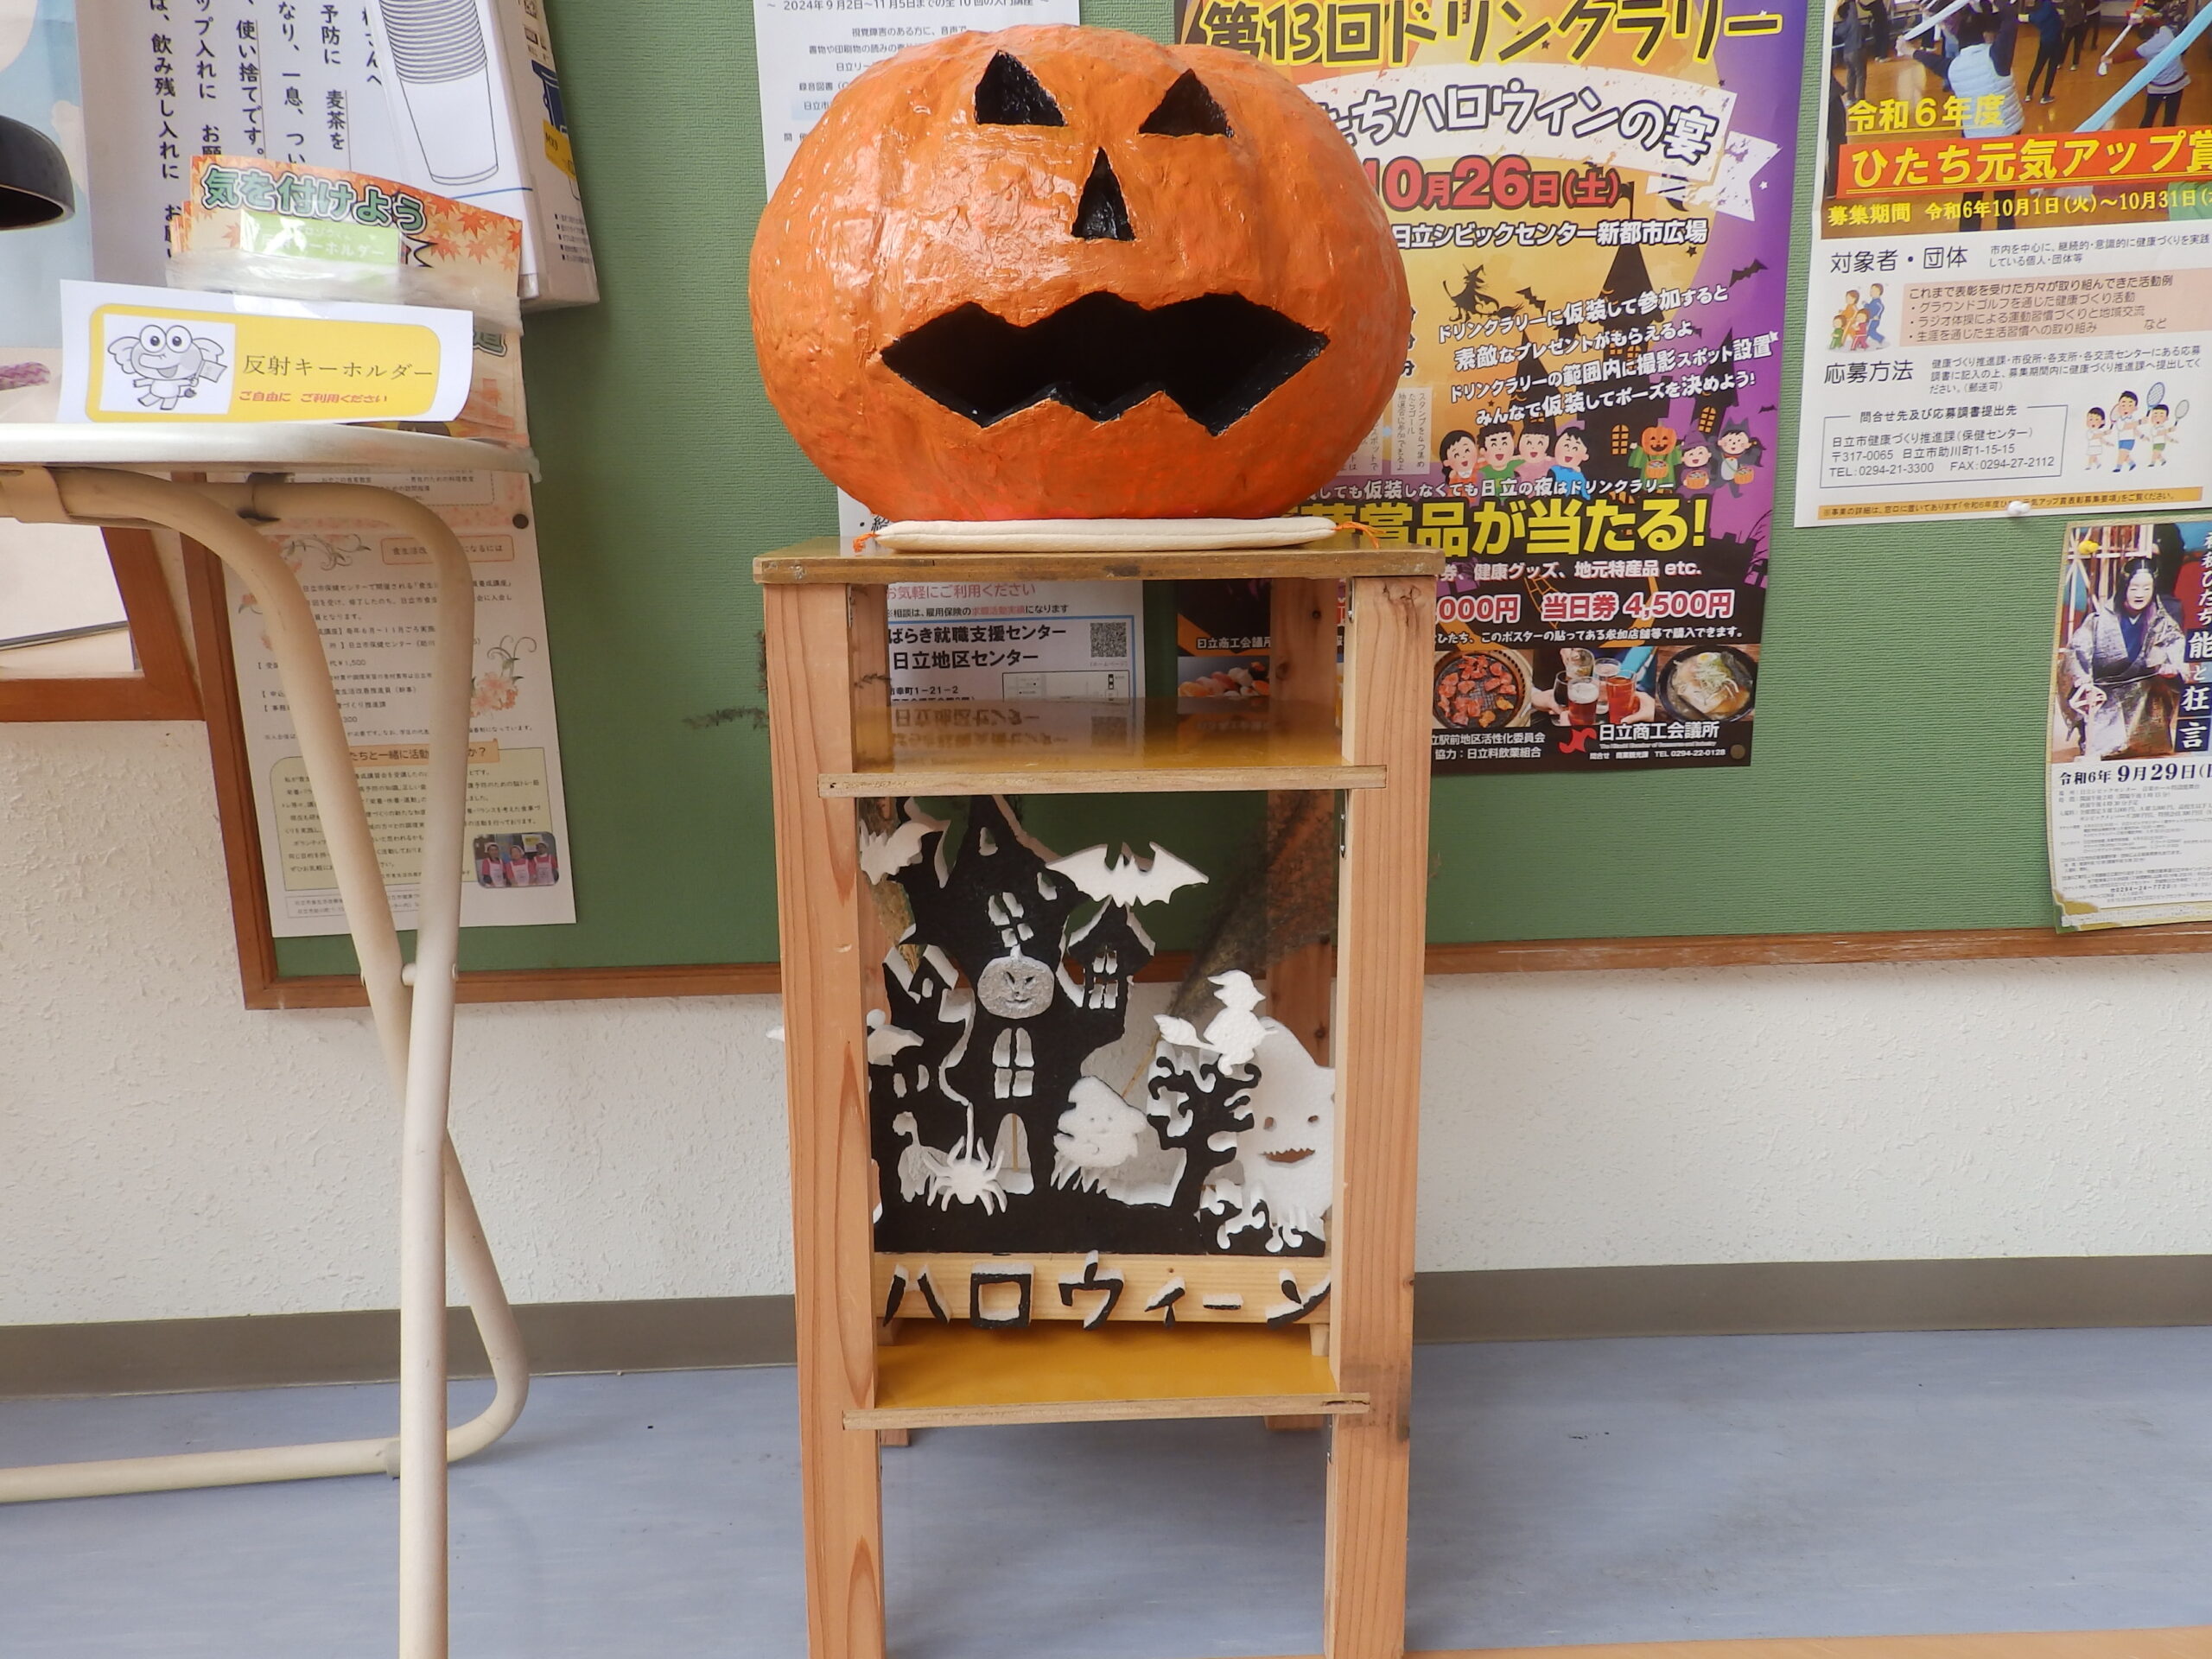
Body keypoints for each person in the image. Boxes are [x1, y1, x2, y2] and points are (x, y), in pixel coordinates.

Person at [2064, 556, 2184, 758]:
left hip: (2146, 695)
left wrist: (2171, 668)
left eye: (2147, 588)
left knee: (2150, 742)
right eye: (2134, 588)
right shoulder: (2099, 620)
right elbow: (2077, 651)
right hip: (2106, 693)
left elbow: (2175, 647)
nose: (2140, 594)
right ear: (2124, 587)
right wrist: (2084, 682)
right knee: (2103, 749)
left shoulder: (2163, 622)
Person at [1917, 4, 2024, 232]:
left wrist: (1909, 51)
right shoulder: (1997, 57)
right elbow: (2010, 19)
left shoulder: (1952, 67)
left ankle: (1968, 240)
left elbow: (1931, 61)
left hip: (1974, 139)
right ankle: (2004, 242)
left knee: (1972, 196)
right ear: (1984, 35)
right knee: (2005, 199)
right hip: (2006, 138)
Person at [2133, 5, 2190, 127]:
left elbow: (2129, 55)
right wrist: (2144, 19)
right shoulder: (2166, 34)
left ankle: (2142, 136)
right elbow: (2159, 23)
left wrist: (2110, 60)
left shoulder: (2146, 48)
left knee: (2149, 115)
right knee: (2171, 117)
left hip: (2158, 85)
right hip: (2177, 81)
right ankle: (2169, 136)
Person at [2024, 0, 2065, 102]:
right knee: (2052, 68)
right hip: (2056, 41)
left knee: (2038, 66)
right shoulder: (2047, 5)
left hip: (2044, 41)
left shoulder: (2034, 14)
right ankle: (2045, 95)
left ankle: (2029, 94)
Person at [1438, 429, 1482, 498]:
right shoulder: (1453, 477)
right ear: (1447, 462)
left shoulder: (1481, 467)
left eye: (1467, 450)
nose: (1463, 456)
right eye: (1456, 455)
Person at [2061, 0, 2094, 68]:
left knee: (2076, 45)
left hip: (2078, 25)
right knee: (2065, 45)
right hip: (2070, 25)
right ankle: (2060, 62)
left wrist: (2051, 3)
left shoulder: (2072, 2)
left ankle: (2075, 63)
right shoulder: (2067, 2)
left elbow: (2064, 5)